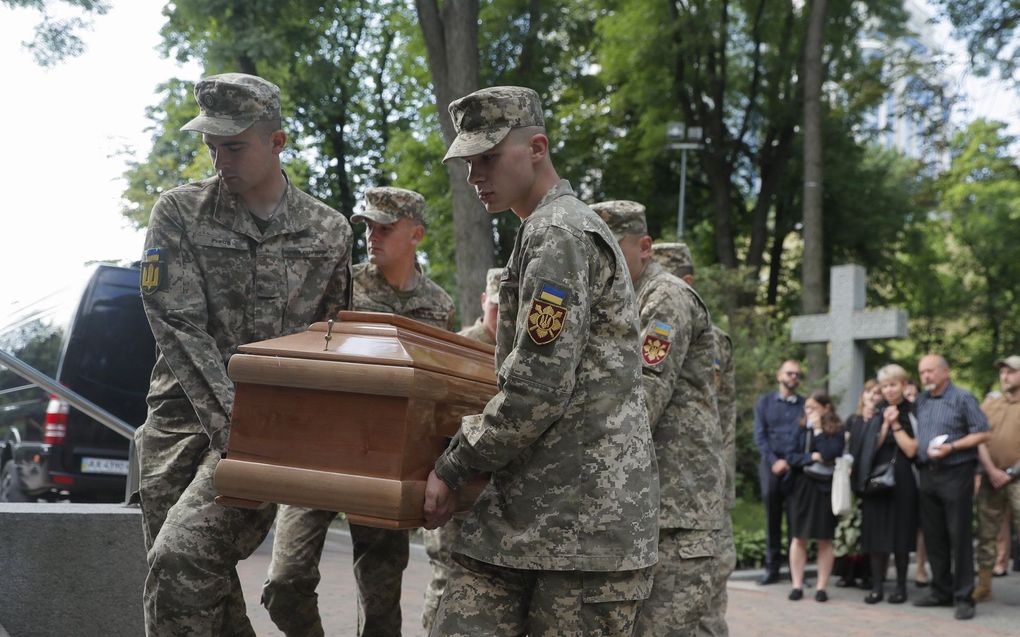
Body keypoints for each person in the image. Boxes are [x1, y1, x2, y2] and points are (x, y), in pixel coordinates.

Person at [422, 86, 659, 635]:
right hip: (528, 524)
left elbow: (536, 388)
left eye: (488, 157)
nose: (475, 175)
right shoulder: (544, 230)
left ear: (536, 147)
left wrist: (452, 465)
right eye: (468, 161)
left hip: (580, 537)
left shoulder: (559, 232)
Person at [135, 72, 354, 635]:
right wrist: (233, 421)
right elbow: (177, 322)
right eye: (211, 146)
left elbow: (331, 342)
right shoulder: (178, 213)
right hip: (177, 433)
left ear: (277, 142)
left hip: (266, 436)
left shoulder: (328, 232)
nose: (219, 161)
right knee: (202, 589)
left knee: (180, 561)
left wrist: (301, 439)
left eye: (233, 146)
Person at [262, 187, 454, 636]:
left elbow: (436, 393)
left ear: (416, 235)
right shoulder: (341, 285)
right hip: (321, 451)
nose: (372, 237)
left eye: (386, 229)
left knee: (381, 600)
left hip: (387, 461)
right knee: (285, 582)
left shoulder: (438, 306)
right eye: (368, 227)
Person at [592, 207, 724, 635]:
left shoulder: (665, 298)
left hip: (677, 514)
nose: (600, 263)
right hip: (648, 510)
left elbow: (642, 398)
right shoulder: (619, 301)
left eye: (612, 249)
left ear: (644, 247)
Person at [650, 241, 736, 637]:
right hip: (662, 494)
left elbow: (717, 418)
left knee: (702, 614)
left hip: (695, 496)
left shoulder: (709, 339)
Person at [420, 266, 503, 632]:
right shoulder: (459, 348)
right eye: (497, 306)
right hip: (454, 482)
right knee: (447, 577)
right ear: (484, 302)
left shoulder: (521, 349)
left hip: (491, 488)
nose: (502, 316)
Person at [912, 354, 990, 620]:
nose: (926, 376)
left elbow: (983, 431)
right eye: (922, 372)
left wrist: (953, 447)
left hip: (956, 473)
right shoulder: (921, 400)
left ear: (945, 371)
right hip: (928, 474)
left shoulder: (962, 398)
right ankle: (941, 590)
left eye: (931, 371)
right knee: (934, 536)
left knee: (959, 535)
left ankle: (964, 596)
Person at [855, 364, 919, 605]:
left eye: (893, 384)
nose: (889, 390)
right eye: (885, 386)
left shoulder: (914, 410)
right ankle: (877, 587)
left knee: (901, 534)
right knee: (875, 535)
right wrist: (883, 424)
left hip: (903, 479)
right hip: (876, 480)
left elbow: (912, 449)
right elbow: (868, 449)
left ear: (903, 385)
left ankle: (901, 587)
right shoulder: (876, 411)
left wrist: (895, 425)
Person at [785, 391, 845, 602]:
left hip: (825, 489)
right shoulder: (800, 428)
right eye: (807, 408)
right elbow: (790, 455)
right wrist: (811, 457)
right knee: (798, 536)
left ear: (826, 408)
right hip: (802, 487)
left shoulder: (836, 428)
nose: (808, 412)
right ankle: (797, 585)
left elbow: (831, 453)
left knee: (824, 538)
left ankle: (821, 587)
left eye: (813, 408)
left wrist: (819, 430)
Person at [753, 359, 806, 584]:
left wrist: (791, 461)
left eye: (797, 374)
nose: (793, 377)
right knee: (772, 519)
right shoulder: (764, 403)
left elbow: (807, 437)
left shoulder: (805, 405)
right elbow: (760, 435)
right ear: (779, 375)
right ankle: (772, 569)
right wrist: (774, 461)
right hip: (771, 467)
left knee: (797, 521)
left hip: (796, 469)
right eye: (789, 373)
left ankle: (797, 572)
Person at [973, 355, 1020, 601]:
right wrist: (991, 470)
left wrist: (1011, 472)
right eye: (1002, 372)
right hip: (991, 476)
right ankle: (984, 585)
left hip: (1017, 478)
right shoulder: (991, 404)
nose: (1005, 376)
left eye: (1011, 372)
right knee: (986, 532)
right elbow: (979, 436)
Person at [834, 379, 880, 589]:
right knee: (848, 528)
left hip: (870, 481)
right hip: (850, 481)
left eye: (877, 393)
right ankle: (848, 573)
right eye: (869, 392)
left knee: (867, 529)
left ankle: (867, 575)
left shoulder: (880, 420)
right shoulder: (853, 420)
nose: (872, 396)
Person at [454, 267, 501, 346]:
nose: (503, 312)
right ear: (483, 300)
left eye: (513, 306)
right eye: (497, 304)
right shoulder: (458, 343)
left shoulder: (522, 346)